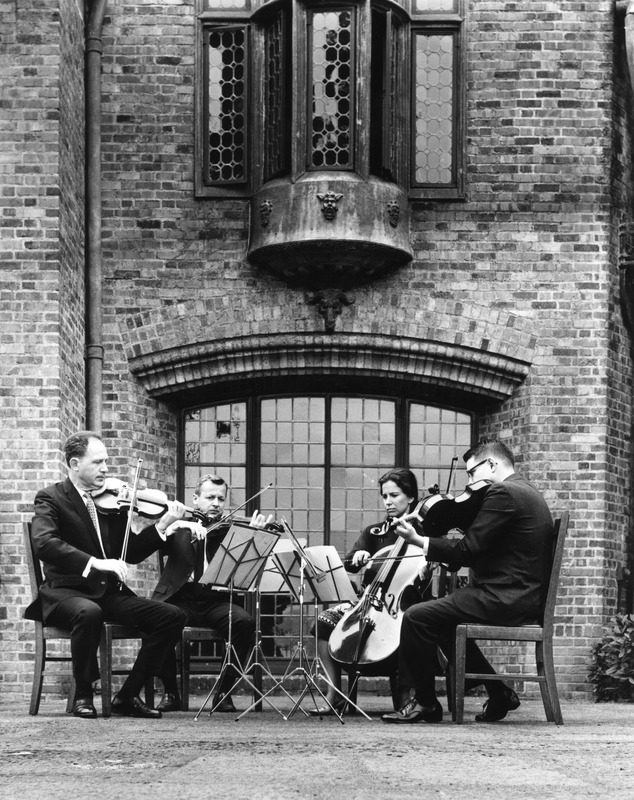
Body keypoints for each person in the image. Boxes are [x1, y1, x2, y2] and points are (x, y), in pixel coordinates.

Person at [381, 439, 554, 724]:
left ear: (492, 465)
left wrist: (419, 540)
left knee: (416, 616)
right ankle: (499, 693)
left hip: (505, 598)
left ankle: (425, 703)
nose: (470, 482)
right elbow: (484, 549)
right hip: (517, 595)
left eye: (472, 473)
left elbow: (468, 550)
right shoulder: (525, 491)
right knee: (442, 622)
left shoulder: (504, 493)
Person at [25, 431, 188, 720]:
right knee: (88, 612)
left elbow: (130, 552)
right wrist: (95, 563)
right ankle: (84, 695)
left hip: (107, 593)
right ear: (75, 464)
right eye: (98, 462)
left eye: (106, 462)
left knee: (171, 616)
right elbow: (44, 543)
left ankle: (127, 695)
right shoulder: (51, 498)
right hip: (67, 593)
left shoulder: (111, 502)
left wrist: (163, 525)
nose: (106, 469)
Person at [310, 468, 426, 716]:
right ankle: (336, 694)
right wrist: (359, 557)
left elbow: (434, 555)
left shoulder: (420, 534)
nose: (388, 502)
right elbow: (350, 561)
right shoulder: (375, 532)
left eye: (394, 495)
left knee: (411, 626)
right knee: (323, 621)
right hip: (367, 603)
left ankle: (407, 697)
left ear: (411, 497)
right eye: (384, 496)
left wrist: (427, 557)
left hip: (404, 608)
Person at [151, 474, 268, 713]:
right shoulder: (178, 525)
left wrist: (253, 536)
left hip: (215, 601)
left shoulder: (231, 531)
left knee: (244, 623)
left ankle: (224, 693)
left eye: (221, 499)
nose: (216, 503)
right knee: (159, 621)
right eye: (209, 497)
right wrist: (174, 524)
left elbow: (244, 564)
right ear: (195, 499)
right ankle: (171, 693)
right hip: (180, 598)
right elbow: (153, 538)